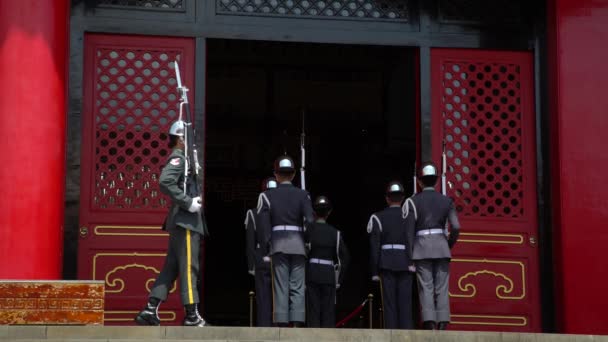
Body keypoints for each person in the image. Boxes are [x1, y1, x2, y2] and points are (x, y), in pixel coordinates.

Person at [135, 120, 209, 327]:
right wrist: (188, 203)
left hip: (184, 222)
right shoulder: (179, 159)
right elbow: (164, 181)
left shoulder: (185, 160)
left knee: (171, 268)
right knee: (189, 268)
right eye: (188, 139)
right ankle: (192, 315)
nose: (192, 143)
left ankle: (150, 308)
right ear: (180, 139)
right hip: (186, 222)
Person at [257, 155, 314, 327]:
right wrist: (307, 241)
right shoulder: (303, 195)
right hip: (298, 245)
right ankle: (296, 322)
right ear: (294, 174)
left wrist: (266, 248)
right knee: (297, 286)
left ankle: (281, 323)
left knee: (281, 285)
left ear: (276, 174)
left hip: (278, 245)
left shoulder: (267, 196)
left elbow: (264, 227)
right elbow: (310, 221)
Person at [402, 163, 460, 330]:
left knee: (426, 286)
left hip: (421, 248)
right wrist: (449, 244)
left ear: (419, 182)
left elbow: (408, 233)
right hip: (442, 247)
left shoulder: (412, 202)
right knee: (441, 285)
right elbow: (456, 226)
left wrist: (410, 255)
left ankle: (430, 321)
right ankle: (443, 320)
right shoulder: (446, 201)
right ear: (436, 181)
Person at [367, 181, 415, 329]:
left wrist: (374, 272)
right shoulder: (410, 217)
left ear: (387, 198)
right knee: (405, 303)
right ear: (402, 198)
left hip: (386, 263)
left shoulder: (377, 217)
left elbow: (374, 248)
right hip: (406, 262)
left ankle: (391, 334)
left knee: (389, 304)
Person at [306, 196, 350, 328]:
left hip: (312, 273)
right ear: (329, 212)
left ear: (314, 212)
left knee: (313, 311)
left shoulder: (309, 230)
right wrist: (339, 278)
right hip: (328, 275)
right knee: (328, 312)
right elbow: (345, 257)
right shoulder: (335, 233)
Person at [245, 177, 278, 327]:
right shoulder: (283, 211)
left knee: (263, 297)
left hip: (260, 259)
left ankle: (264, 328)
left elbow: (250, 242)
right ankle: (279, 328)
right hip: (279, 257)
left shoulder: (252, 213)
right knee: (279, 296)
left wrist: (251, 265)